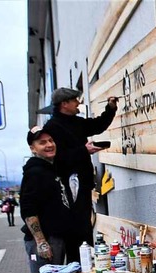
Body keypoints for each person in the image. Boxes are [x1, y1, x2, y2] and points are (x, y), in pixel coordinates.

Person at [42, 88, 118, 262]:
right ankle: (77, 269)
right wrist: (83, 151)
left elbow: (97, 125)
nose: (78, 103)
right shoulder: (52, 128)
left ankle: (85, 267)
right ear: (64, 104)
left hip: (82, 185)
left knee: (84, 229)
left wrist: (110, 108)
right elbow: (56, 158)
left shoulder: (75, 122)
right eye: (75, 100)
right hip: (69, 189)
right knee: (75, 233)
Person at [21, 126, 71, 273]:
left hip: (54, 238)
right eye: (42, 142)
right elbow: (28, 209)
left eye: (51, 140)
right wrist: (41, 241)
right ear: (33, 148)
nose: (49, 144)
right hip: (43, 240)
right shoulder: (34, 172)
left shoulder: (49, 169)